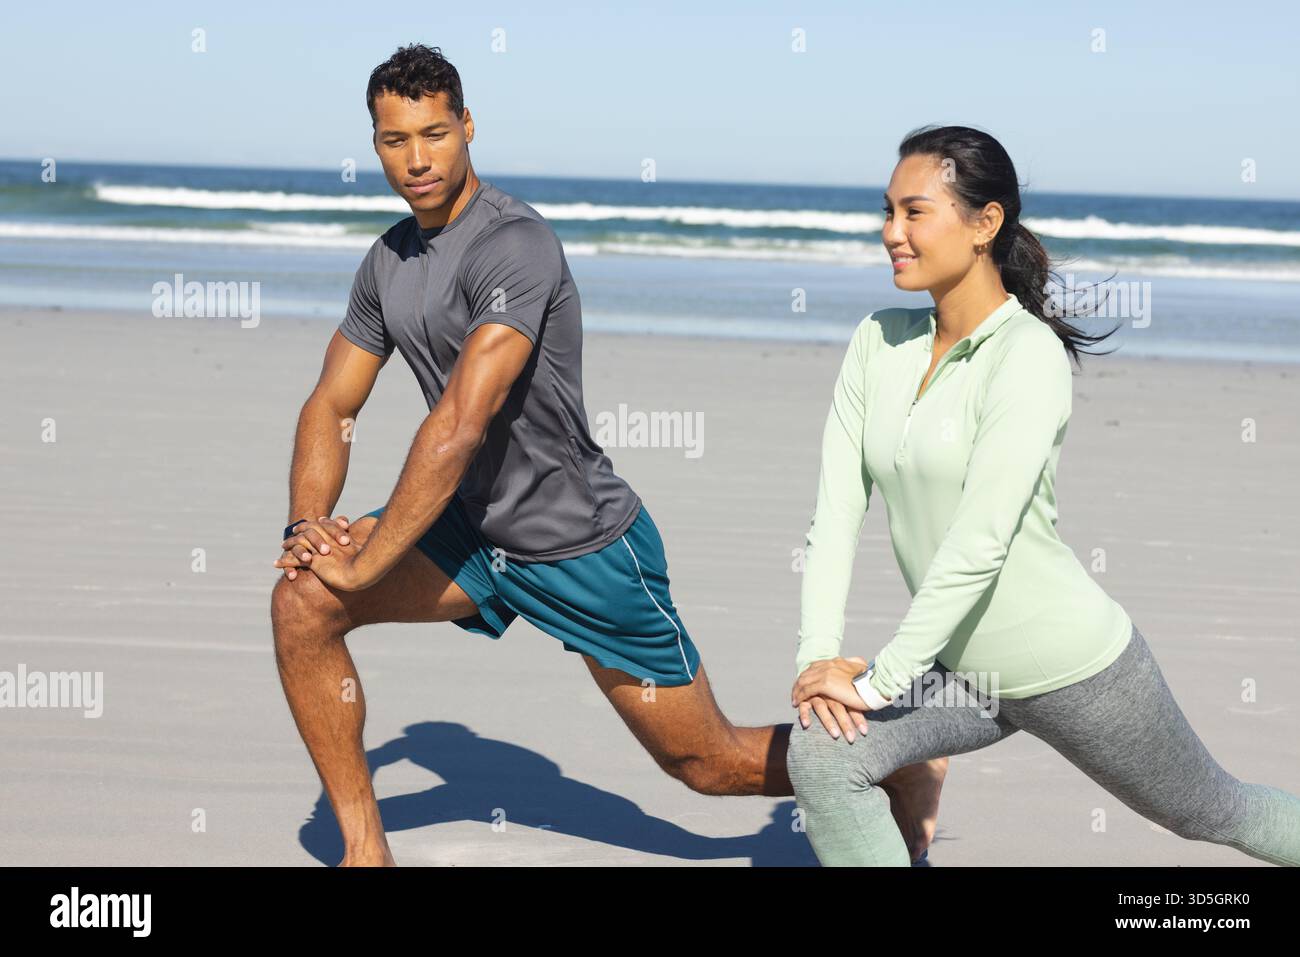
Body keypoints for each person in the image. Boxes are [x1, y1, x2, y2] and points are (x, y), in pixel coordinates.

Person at [269, 43, 941, 866]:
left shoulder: (514, 246)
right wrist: (310, 524)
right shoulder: (388, 262)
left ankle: (893, 755)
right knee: (304, 601)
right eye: (395, 140)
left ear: (468, 127)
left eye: (435, 134)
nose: (417, 159)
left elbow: (459, 423)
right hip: (471, 534)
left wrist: (370, 558)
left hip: (579, 545)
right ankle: (365, 851)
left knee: (707, 762)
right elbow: (331, 404)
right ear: (374, 146)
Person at [785, 124, 1300, 866]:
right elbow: (834, 513)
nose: (891, 232)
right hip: (959, 668)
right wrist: (819, 661)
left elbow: (980, 540)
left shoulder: (1027, 356)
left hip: (1073, 667)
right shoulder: (878, 340)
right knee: (826, 754)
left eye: (914, 212)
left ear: (984, 223)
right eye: (887, 212)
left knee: (1214, 812)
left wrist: (881, 681)